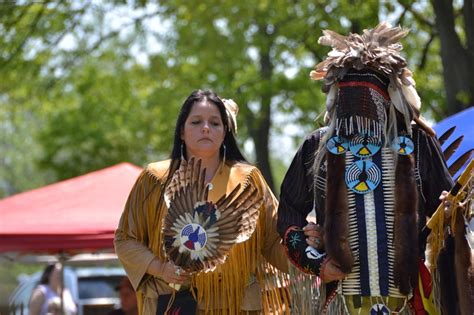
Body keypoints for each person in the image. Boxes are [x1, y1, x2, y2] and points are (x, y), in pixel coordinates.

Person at [277, 22, 456, 314]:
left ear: (391, 93)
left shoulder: (417, 142)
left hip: (411, 298)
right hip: (341, 298)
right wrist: (314, 260)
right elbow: (287, 213)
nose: (357, 107)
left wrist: (448, 212)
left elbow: (447, 206)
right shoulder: (318, 146)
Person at [114, 89, 289, 314]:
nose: (206, 128)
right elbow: (126, 239)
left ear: (225, 132)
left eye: (215, 123)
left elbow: (273, 241)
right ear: (181, 132)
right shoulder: (156, 178)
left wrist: (307, 255)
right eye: (196, 122)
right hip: (176, 301)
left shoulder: (248, 180)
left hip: (237, 306)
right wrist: (160, 268)